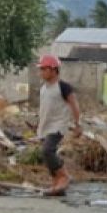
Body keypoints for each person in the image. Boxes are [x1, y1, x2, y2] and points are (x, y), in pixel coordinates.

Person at [36, 54, 81, 196]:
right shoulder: (43, 88)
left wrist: (77, 124)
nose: (41, 72)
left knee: (47, 150)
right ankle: (57, 183)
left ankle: (64, 176)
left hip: (58, 126)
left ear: (54, 70)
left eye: (44, 69)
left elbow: (74, 105)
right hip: (45, 126)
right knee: (47, 154)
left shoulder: (63, 87)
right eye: (41, 69)